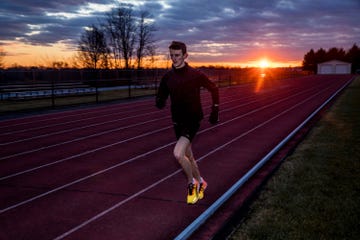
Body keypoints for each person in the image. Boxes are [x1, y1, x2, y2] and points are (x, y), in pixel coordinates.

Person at [156, 41, 219, 204]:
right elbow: (161, 95)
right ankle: (202, 183)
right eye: (171, 55)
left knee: (178, 153)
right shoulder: (167, 77)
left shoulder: (195, 75)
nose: (174, 58)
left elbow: (214, 88)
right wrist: (160, 100)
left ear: (185, 55)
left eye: (177, 55)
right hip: (177, 121)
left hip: (192, 119)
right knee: (188, 156)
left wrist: (215, 109)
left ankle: (192, 183)